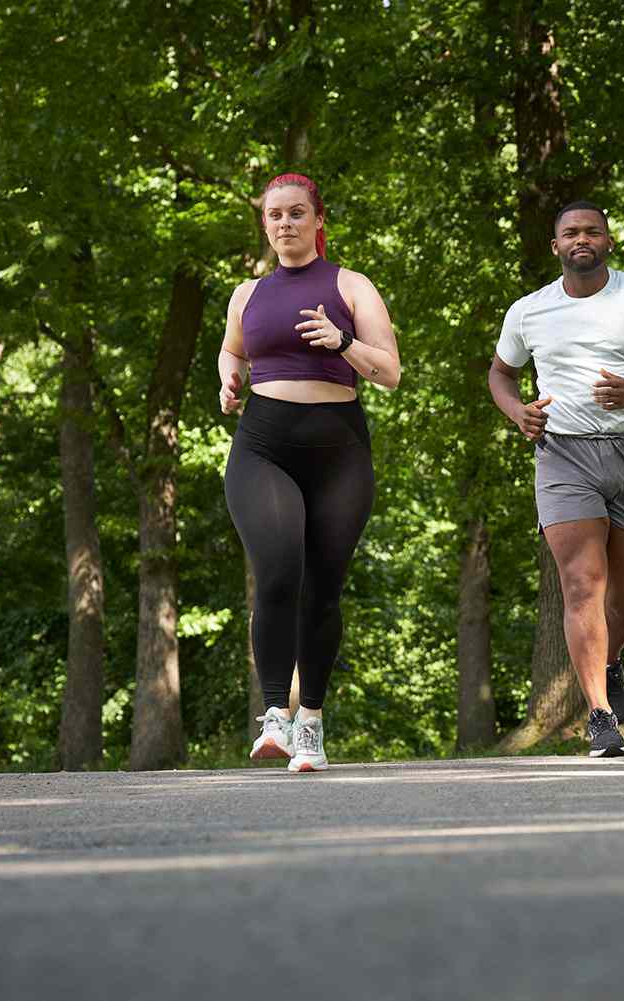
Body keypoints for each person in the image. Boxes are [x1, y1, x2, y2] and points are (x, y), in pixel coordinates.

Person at [488, 200, 624, 757]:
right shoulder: (529, 311)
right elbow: (501, 373)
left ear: (608, 241)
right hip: (563, 456)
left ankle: (609, 661)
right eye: (570, 233)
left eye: (592, 231)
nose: (582, 239)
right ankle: (601, 717)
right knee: (582, 586)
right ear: (554, 246)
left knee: (623, 604)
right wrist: (518, 412)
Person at [218, 173, 401, 772]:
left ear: (318, 221)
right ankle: (275, 713)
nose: (285, 224)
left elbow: (389, 372)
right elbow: (233, 349)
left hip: (339, 451)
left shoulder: (350, 285)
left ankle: (312, 725)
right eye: (274, 216)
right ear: (265, 224)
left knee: (323, 588)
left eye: (297, 213)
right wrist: (229, 378)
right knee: (277, 567)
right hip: (264, 445)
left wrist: (341, 341)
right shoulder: (247, 293)